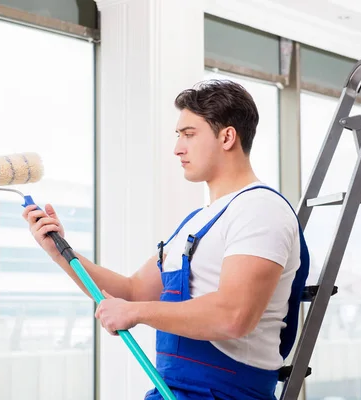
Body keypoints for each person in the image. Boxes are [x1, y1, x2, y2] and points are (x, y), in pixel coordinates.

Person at [23, 79, 310, 400]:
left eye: (189, 134)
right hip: (172, 392)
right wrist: (60, 251)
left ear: (227, 137)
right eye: (178, 136)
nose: (177, 148)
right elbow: (131, 294)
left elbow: (234, 316)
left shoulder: (260, 209)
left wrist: (139, 314)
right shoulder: (195, 222)